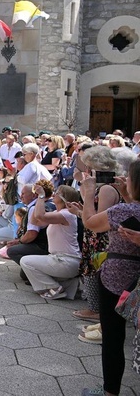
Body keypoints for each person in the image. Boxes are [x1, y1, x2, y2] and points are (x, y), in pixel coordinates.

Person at [79, 160, 140, 396]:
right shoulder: (127, 208)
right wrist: (126, 195)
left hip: (117, 279)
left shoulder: (123, 212)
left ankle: (110, 391)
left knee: (113, 338)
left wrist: (87, 195)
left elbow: (91, 223)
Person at [70, 145, 122, 323]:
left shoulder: (107, 188)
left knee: (95, 270)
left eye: (88, 166)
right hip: (93, 235)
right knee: (90, 270)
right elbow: (90, 211)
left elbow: (99, 219)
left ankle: (97, 311)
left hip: (100, 239)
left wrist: (86, 189)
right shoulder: (102, 186)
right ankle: (95, 308)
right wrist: (79, 211)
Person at [20, 184, 82, 299]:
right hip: (64, 260)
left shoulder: (66, 214)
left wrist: (41, 196)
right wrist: (38, 200)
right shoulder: (59, 213)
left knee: (25, 261)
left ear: (65, 198)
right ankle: (68, 285)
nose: (54, 193)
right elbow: (36, 221)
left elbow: (40, 216)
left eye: (58, 192)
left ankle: (54, 289)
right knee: (30, 265)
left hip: (66, 261)